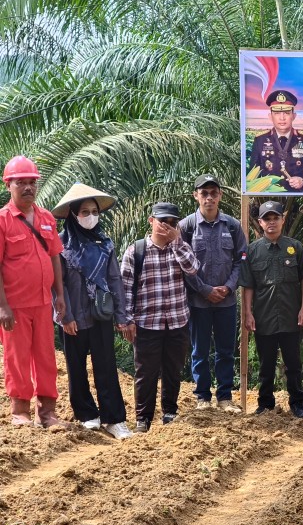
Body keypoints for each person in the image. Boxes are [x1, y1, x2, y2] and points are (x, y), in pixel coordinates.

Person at [52, 184, 133, 439]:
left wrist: (122, 316)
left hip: (100, 314)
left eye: (94, 211)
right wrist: (65, 316)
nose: (90, 216)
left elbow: (114, 280)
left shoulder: (104, 243)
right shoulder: (60, 246)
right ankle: (87, 414)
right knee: (75, 367)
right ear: (73, 215)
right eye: (84, 212)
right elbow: (57, 284)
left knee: (106, 366)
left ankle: (114, 419)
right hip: (73, 316)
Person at [122, 202, 201, 433]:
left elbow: (193, 268)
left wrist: (177, 241)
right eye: (162, 222)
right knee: (145, 373)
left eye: (172, 223)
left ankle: (169, 412)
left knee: (172, 370)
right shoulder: (135, 251)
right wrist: (126, 320)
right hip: (147, 323)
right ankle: (142, 419)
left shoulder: (180, 248)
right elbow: (125, 288)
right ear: (151, 221)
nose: (167, 226)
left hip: (177, 320)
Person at [0, 156, 67, 428]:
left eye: (32, 182)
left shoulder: (46, 218)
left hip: (42, 302)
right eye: (21, 183)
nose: (28, 187)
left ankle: (48, 412)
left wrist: (59, 294)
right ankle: (20, 411)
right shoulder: (3, 221)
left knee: (46, 357)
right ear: (9, 186)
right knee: (17, 359)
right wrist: (2, 306)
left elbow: (54, 258)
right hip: (15, 304)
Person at [179, 174, 248, 414]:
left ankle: (225, 397)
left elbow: (242, 260)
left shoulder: (232, 225)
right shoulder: (186, 226)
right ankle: (202, 397)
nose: (209, 198)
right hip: (198, 302)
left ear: (219, 196)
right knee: (199, 350)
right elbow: (182, 263)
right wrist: (205, 290)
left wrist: (228, 287)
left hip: (226, 301)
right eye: (204, 193)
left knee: (225, 350)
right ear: (196, 196)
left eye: (213, 193)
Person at [240, 201, 303, 418]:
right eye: (267, 219)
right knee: (266, 364)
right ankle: (265, 403)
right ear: (260, 222)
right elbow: (248, 285)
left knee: (293, 363)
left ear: (283, 219)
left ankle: (297, 403)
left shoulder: (295, 247)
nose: (271, 222)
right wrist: (248, 313)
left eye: (275, 218)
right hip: (264, 316)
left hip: (291, 315)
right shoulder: (252, 251)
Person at [249, 90, 303, 193]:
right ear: (270, 116)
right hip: (268, 195)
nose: (282, 118)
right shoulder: (260, 139)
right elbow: (253, 170)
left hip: (298, 197)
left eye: (287, 113)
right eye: (277, 113)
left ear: (293, 116)